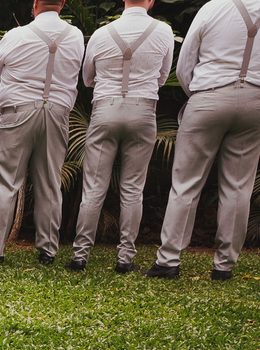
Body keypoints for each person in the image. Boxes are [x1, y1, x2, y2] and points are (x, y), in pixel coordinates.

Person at [146, 0, 260, 280]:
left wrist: (199, 95)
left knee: (186, 182)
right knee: (239, 186)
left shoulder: (215, 6)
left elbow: (185, 64)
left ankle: (168, 261)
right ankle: (224, 266)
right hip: (259, 100)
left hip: (209, 95)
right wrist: (257, 85)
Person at [0, 0, 83, 264]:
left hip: (18, 112)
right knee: (50, 183)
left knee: (6, 182)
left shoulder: (16, 35)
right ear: (62, 4)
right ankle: (48, 250)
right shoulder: (75, 36)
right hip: (57, 113)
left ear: (34, 4)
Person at [68, 0, 172, 273]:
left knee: (93, 187)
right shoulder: (163, 32)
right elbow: (162, 77)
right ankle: (125, 258)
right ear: (150, 0)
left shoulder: (102, 33)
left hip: (105, 109)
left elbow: (87, 78)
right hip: (143, 109)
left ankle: (80, 255)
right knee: (133, 188)